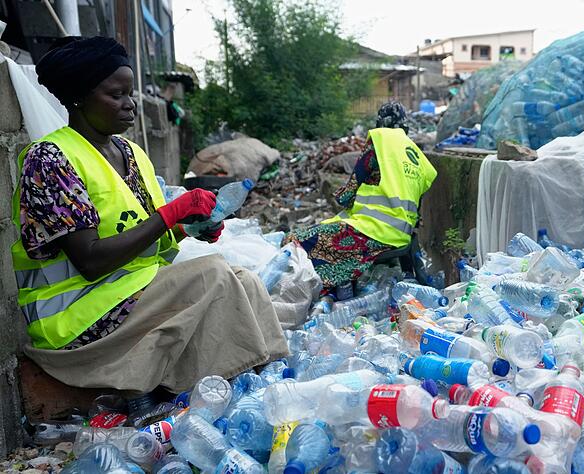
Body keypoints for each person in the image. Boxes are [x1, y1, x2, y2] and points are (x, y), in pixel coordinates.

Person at [10, 36, 288, 394]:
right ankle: (221, 394)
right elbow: (90, 261)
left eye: (130, 94)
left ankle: (268, 383)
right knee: (212, 275)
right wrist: (172, 213)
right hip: (74, 318)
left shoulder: (131, 153)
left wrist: (192, 228)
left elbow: (150, 238)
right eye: (116, 95)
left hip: (129, 294)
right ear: (78, 97)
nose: (130, 106)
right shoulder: (49, 159)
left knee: (245, 280)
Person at [287, 102, 437, 291]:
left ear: (381, 122)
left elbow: (351, 188)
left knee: (296, 239)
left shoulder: (381, 141)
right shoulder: (417, 155)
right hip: (403, 235)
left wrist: (341, 197)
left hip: (374, 232)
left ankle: (319, 289)